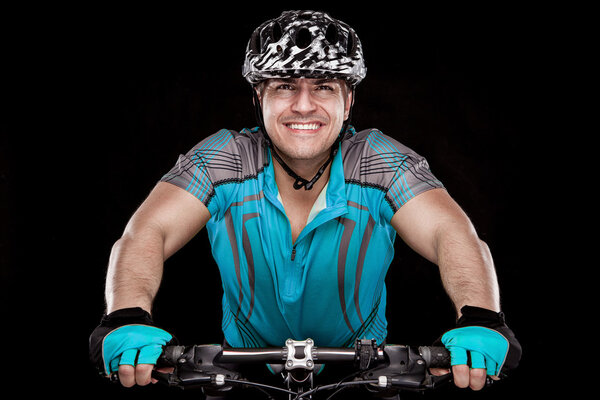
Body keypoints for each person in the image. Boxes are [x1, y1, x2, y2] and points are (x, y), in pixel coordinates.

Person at [89, 9, 521, 396]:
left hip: (363, 377)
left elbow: (453, 234)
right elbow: (146, 231)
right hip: (242, 380)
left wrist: (481, 316)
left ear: (348, 100)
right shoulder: (224, 158)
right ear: (259, 98)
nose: (303, 106)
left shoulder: (380, 161)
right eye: (283, 86)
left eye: (324, 87)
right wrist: (126, 314)